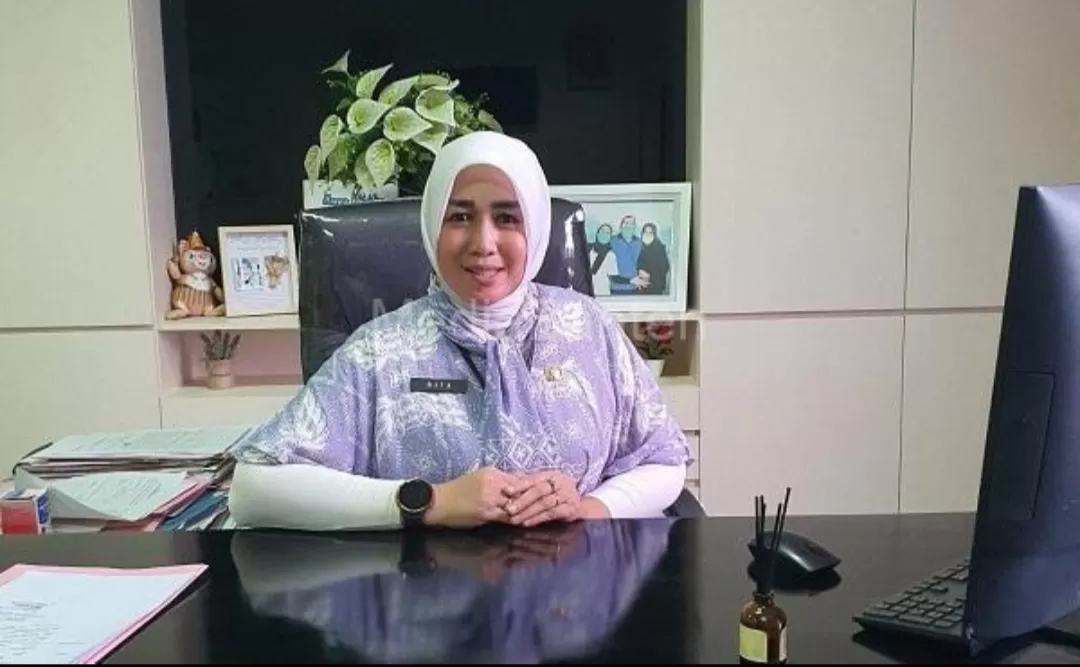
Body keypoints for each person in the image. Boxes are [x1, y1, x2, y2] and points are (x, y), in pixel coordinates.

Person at [227, 131, 691, 531]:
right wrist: (432, 502)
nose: (483, 243)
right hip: (424, 593)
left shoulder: (588, 328)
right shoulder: (380, 352)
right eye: (460, 217)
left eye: (507, 218)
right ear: (433, 225)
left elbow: (663, 458)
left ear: (536, 227)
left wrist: (591, 508)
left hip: (574, 592)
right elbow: (252, 490)